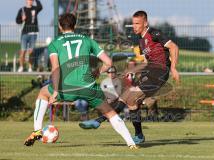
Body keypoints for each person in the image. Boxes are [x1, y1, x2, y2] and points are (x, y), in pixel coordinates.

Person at [23, 13, 138, 149]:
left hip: (66, 88)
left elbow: (56, 68)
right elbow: (108, 62)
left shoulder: (55, 43)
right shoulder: (87, 40)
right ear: (75, 25)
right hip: (88, 86)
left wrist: (55, 91)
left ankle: (37, 129)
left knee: (42, 93)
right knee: (110, 112)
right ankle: (131, 143)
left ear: (60, 26)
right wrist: (97, 72)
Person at [79, 10, 180, 144]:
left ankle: (99, 121)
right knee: (132, 102)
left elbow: (174, 47)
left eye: (137, 23)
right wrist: (132, 70)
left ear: (145, 23)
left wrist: (173, 68)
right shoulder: (141, 42)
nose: (134, 26)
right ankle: (139, 135)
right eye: (133, 23)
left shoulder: (154, 34)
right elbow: (145, 63)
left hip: (160, 73)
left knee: (129, 97)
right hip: (150, 73)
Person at [16, 0, 42, 72]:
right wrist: (22, 19)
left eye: (32, 0)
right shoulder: (22, 10)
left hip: (33, 34)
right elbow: (17, 21)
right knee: (23, 51)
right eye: (29, 0)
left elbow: (40, 7)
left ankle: (30, 67)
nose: (30, 1)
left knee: (31, 52)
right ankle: (21, 67)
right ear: (26, 1)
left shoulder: (35, 8)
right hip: (24, 33)